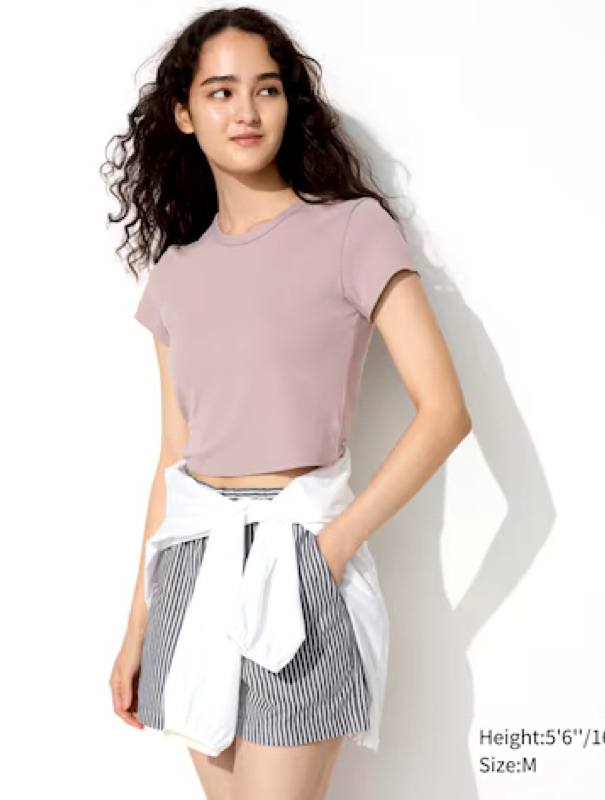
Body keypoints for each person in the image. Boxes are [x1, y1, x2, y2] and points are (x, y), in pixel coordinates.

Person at [102, 7, 471, 799]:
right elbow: (172, 457)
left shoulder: (352, 231)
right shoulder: (175, 274)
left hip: (296, 559)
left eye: (265, 89)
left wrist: (328, 551)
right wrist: (137, 624)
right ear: (183, 113)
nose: (245, 110)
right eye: (221, 91)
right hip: (191, 567)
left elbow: (444, 411)